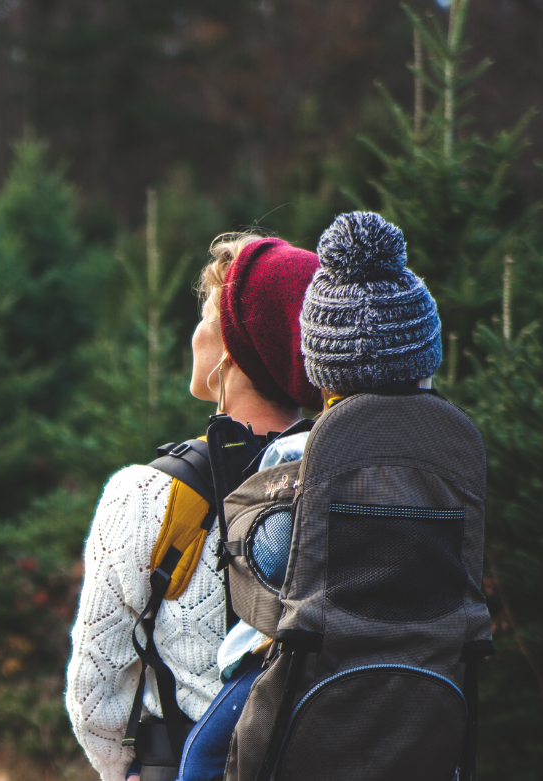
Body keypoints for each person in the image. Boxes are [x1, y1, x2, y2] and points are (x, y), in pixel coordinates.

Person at [65, 232, 323, 781]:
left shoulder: (148, 495)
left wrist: (123, 771)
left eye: (206, 317)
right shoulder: (346, 485)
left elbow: (94, 693)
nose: (195, 332)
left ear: (229, 350)